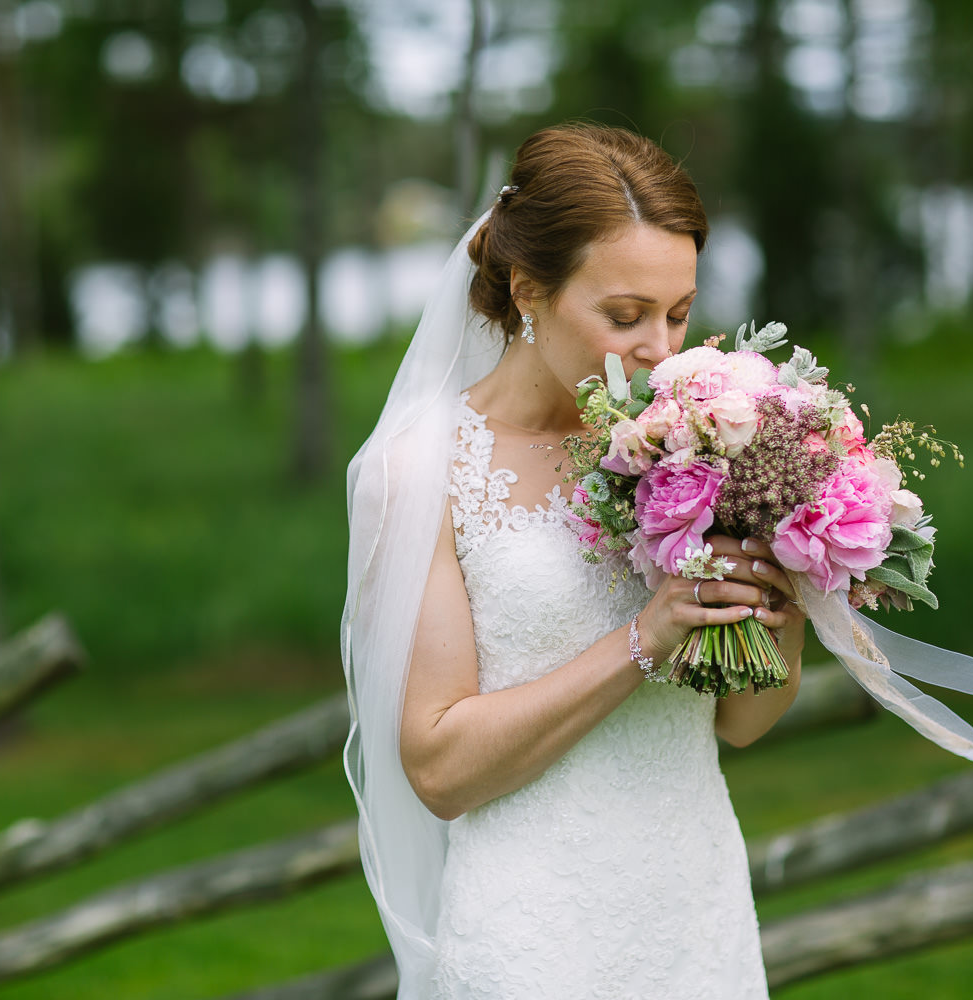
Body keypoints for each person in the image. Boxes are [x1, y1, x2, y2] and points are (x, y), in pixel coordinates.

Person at [341, 122, 802, 999]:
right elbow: (439, 770)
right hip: (534, 929)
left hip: (694, 911)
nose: (662, 350)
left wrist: (784, 586)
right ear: (529, 291)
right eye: (623, 316)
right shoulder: (418, 473)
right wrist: (644, 638)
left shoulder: (698, 441)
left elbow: (744, 721)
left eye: (678, 312)